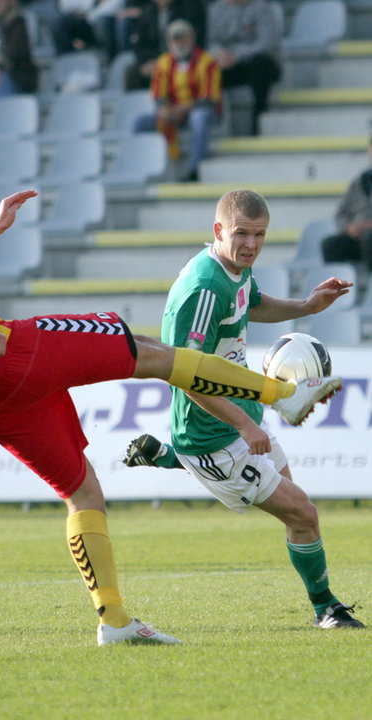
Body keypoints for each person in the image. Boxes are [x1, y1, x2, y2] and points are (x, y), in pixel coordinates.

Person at [0, 171, 342, 643]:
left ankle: (113, 620)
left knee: (84, 490)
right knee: (150, 351)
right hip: (8, 354)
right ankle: (284, 394)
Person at [123, 188, 364, 630]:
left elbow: (252, 303)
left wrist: (306, 306)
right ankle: (326, 609)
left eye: (259, 235)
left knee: (298, 507)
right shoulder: (204, 289)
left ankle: (165, 456)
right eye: (241, 234)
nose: (251, 244)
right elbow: (183, 372)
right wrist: (241, 423)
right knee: (303, 514)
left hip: (240, 422)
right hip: (210, 435)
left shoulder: (234, 273)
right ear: (218, 230)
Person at [133, 19, 221, 182]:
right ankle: (140, 168)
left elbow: (209, 98)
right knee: (140, 122)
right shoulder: (163, 62)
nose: (179, 43)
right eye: (175, 39)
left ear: (191, 38)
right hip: (173, 112)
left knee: (199, 117)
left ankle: (195, 169)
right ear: (169, 42)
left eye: (182, 38)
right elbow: (158, 96)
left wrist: (184, 109)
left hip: (200, 111)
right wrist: (165, 110)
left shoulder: (207, 61)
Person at [207, 0, 282, 135]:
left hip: (256, 62)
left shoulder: (262, 8)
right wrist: (219, 54)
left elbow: (267, 44)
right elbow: (211, 41)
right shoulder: (215, 10)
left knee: (261, 66)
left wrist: (236, 55)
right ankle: (213, 123)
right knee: (205, 70)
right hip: (227, 62)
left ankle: (258, 123)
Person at [125, 0, 207, 91]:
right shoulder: (147, 11)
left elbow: (191, 40)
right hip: (154, 58)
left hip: (181, 57)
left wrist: (165, 62)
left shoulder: (189, 7)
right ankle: (140, 104)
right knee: (132, 72)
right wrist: (149, 61)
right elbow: (139, 43)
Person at [321, 137, 372, 272]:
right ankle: (338, 287)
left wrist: (367, 225)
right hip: (359, 238)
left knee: (369, 237)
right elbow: (341, 213)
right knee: (330, 244)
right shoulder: (361, 181)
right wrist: (349, 228)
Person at [51, 0, 124, 62]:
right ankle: (67, 66)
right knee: (59, 24)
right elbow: (66, 6)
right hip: (86, 20)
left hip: (111, 20)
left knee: (104, 23)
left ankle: (113, 63)